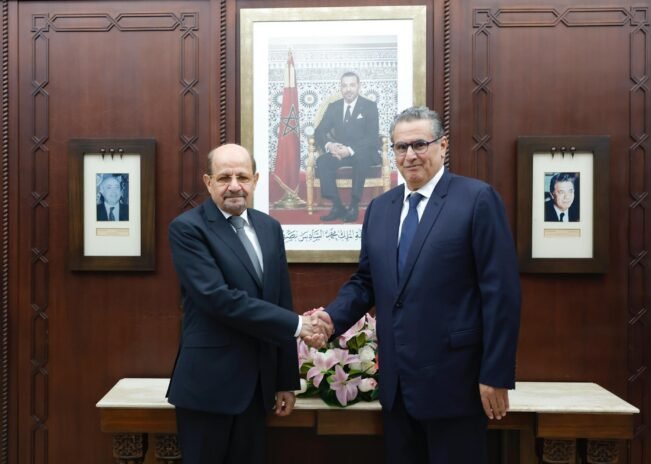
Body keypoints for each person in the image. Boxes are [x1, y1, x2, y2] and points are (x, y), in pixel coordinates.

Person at [308, 107, 521, 464]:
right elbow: (366, 281)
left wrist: (496, 374)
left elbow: (501, 294)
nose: (410, 155)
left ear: (443, 146)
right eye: (400, 147)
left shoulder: (477, 200)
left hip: (457, 385)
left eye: (420, 144)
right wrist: (331, 318)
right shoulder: (380, 209)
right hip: (397, 387)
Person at [166, 143, 330, 464]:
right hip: (208, 388)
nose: (234, 186)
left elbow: (281, 299)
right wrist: (299, 325)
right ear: (208, 182)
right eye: (224, 177)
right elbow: (218, 299)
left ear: (255, 180)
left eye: (242, 177)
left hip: (257, 390)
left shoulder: (270, 228)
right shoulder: (188, 229)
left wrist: (285, 381)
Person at [314, 71, 380, 222]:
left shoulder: (369, 106)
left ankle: (353, 205)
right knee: (323, 161)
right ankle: (337, 205)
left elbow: (371, 137)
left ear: (358, 86)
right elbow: (319, 131)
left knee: (361, 159)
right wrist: (330, 145)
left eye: (352, 85)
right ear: (341, 88)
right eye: (344, 86)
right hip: (340, 152)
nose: (348, 89)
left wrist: (349, 151)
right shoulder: (334, 107)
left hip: (364, 152)